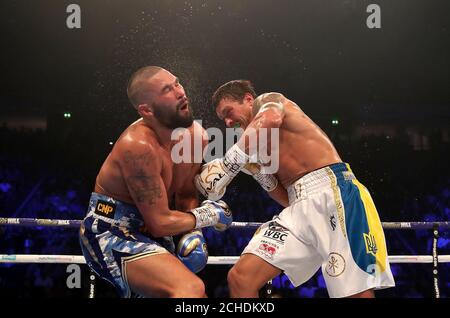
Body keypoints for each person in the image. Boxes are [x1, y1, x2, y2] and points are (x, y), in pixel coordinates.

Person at [195, 80, 395, 298]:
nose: (227, 122)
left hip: (335, 192)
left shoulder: (269, 100)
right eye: (222, 118)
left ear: (248, 100)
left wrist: (228, 164)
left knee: (354, 294)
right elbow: (288, 198)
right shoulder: (258, 146)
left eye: (228, 112)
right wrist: (259, 172)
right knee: (241, 278)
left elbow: (271, 118)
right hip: (298, 208)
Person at [79, 66, 233, 298]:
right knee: (189, 289)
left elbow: (185, 195)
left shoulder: (196, 137)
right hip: (111, 230)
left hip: (156, 229)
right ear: (146, 110)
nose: (180, 92)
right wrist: (208, 216)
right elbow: (159, 222)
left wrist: (194, 234)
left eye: (177, 83)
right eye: (167, 90)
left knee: (195, 294)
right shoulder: (138, 146)